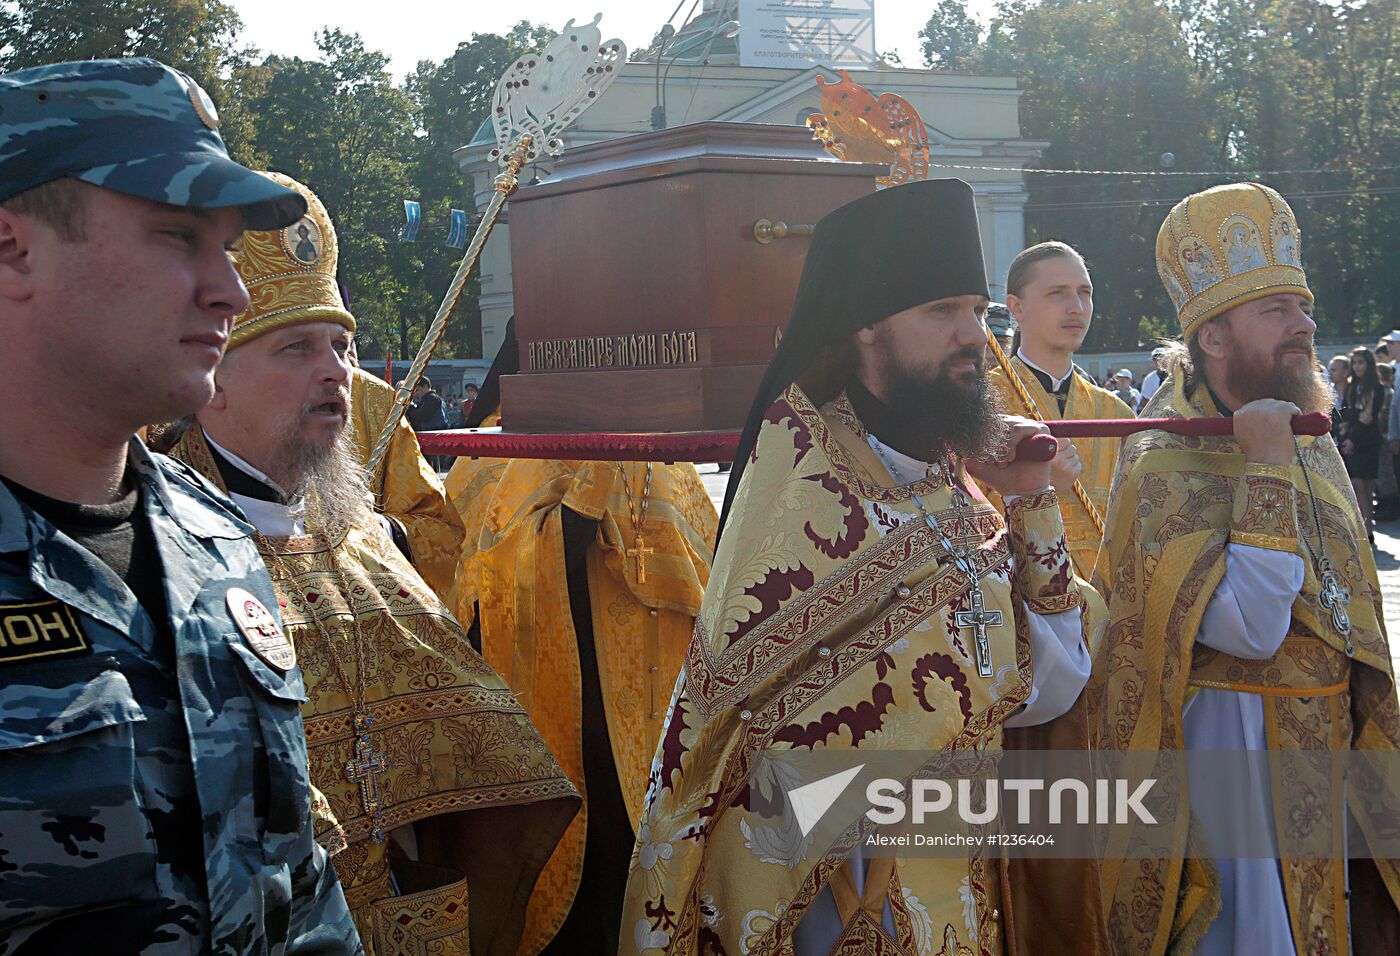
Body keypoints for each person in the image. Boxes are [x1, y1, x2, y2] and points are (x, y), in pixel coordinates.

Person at [619, 180, 1106, 956]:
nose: (973, 336)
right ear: (868, 326)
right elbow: (758, 745)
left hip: (962, 887)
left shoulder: (955, 485)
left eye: (978, 312)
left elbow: (1050, 686)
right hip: (829, 904)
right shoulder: (799, 484)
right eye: (941, 312)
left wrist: (1031, 504)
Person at [162, 174, 579, 953]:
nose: (337, 374)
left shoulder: (366, 542)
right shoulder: (166, 546)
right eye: (297, 348)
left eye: (342, 347)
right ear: (210, 380)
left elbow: (485, 757)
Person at [0, 58, 359, 951]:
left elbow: (296, 890)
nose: (232, 292)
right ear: (13, 249)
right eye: (176, 237)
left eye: (229, 249)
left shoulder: (217, 546)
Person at [1091, 181, 1400, 955]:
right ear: (1214, 339)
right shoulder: (1163, 459)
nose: (1305, 325)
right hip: (1230, 759)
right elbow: (1253, 633)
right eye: (1277, 311)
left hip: (1324, 743)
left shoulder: (1312, 437)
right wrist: (1264, 471)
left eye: (1304, 306)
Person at [444, 319, 719, 955]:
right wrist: (581, 507)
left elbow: (705, 566)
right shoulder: (494, 449)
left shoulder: (660, 451)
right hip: (558, 713)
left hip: (654, 725)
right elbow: (478, 577)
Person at [991, 240, 1136, 579]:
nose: (1076, 307)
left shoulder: (1115, 412)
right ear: (1017, 307)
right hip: (1017, 603)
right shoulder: (982, 403)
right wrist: (1038, 489)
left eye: (1084, 293)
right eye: (1057, 293)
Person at [347, 364, 464, 601]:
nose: (335, 366)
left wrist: (381, 528)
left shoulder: (375, 400)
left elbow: (439, 528)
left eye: (339, 346)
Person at [1339, 346, 1386, 540]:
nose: (1357, 367)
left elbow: (1368, 417)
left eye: (1361, 362)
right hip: (1353, 437)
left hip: (1367, 439)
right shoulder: (1351, 387)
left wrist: (1354, 416)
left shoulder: (1376, 387)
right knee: (1358, 484)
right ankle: (1364, 529)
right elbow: (1346, 412)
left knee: (1366, 485)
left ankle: (1367, 530)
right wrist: (1353, 416)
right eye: (1355, 363)